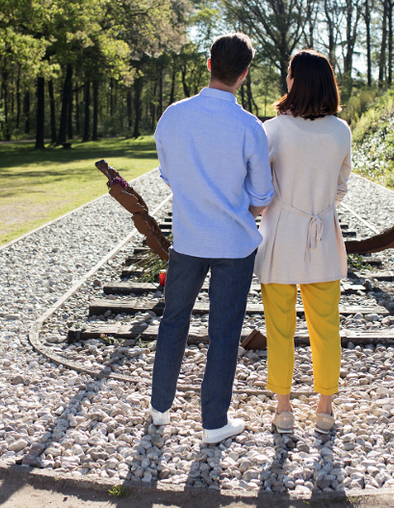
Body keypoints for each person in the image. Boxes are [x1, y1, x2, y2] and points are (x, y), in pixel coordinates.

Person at [148, 32, 274, 445]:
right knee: (224, 330)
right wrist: (245, 207)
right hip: (234, 245)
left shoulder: (173, 116)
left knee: (174, 320)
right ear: (243, 74)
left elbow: (167, 174)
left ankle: (159, 408)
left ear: (208, 64)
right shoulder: (249, 127)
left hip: (187, 238)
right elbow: (262, 195)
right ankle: (213, 422)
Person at [254, 49, 351, 435]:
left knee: (279, 328)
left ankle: (283, 408)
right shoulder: (340, 131)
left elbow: (259, 188)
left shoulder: (273, 130)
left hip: (279, 239)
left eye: (289, 74)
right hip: (323, 237)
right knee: (325, 327)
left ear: (296, 81)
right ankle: (325, 408)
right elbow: (341, 189)